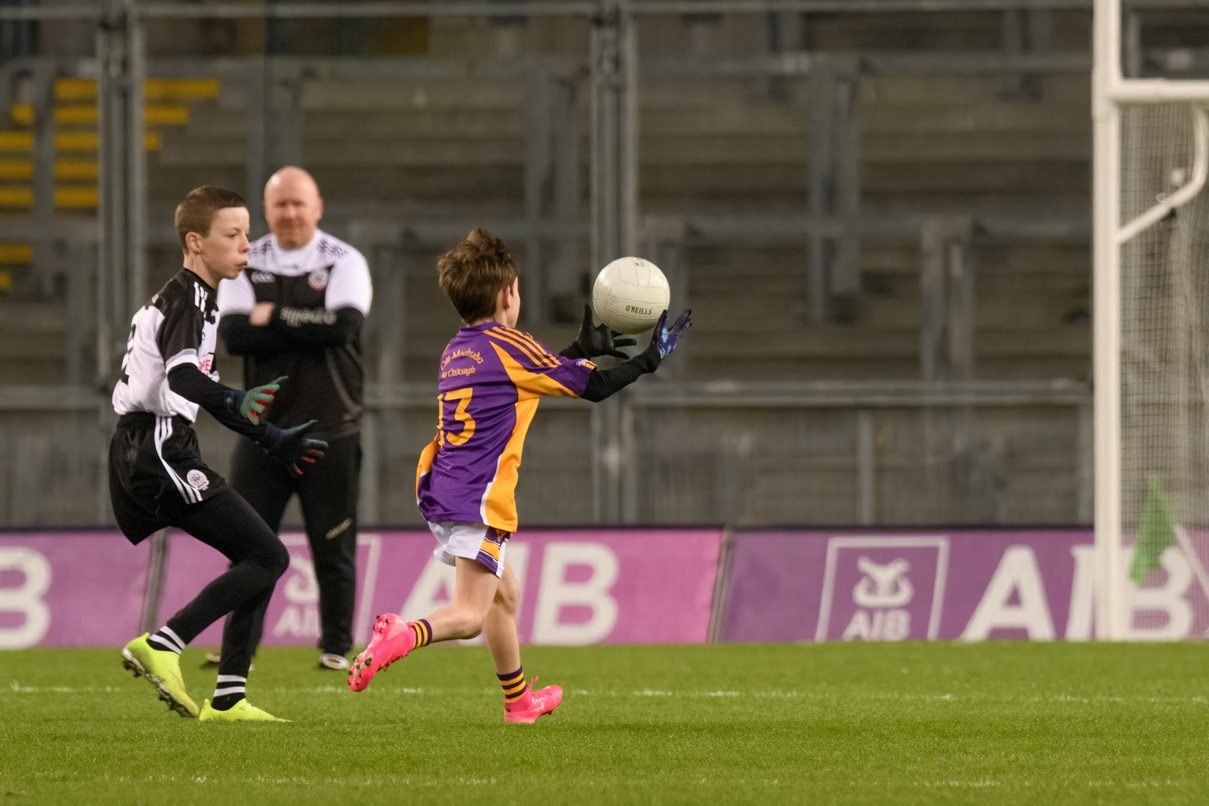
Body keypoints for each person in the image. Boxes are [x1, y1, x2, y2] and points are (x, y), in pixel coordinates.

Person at [347, 228, 691, 723]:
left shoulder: (460, 348)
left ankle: (518, 700)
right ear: (508, 293)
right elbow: (592, 389)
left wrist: (576, 348)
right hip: (478, 501)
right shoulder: (509, 345)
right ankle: (400, 633)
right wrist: (648, 361)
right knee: (468, 616)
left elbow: (524, 384)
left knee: (505, 596)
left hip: (443, 486)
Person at [112, 186, 327, 722]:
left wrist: (268, 437)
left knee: (262, 556)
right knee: (268, 556)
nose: (246, 246)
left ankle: (229, 695)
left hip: (158, 443)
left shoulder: (197, 297)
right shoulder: (188, 298)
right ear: (195, 242)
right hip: (157, 447)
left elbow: (192, 387)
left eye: (247, 234)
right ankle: (165, 643)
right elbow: (185, 378)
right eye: (232, 236)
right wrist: (233, 398)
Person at [216, 167, 373, 671]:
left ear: (317, 206)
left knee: (333, 546)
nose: (289, 213)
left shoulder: (345, 260)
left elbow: (344, 328)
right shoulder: (246, 259)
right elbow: (237, 336)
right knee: (248, 544)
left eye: (298, 204)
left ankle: (335, 648)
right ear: (266, 210)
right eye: (280, 204)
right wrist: (307, 320)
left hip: (331, 427)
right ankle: (241, 648)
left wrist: (274, 315)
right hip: (263, 432)